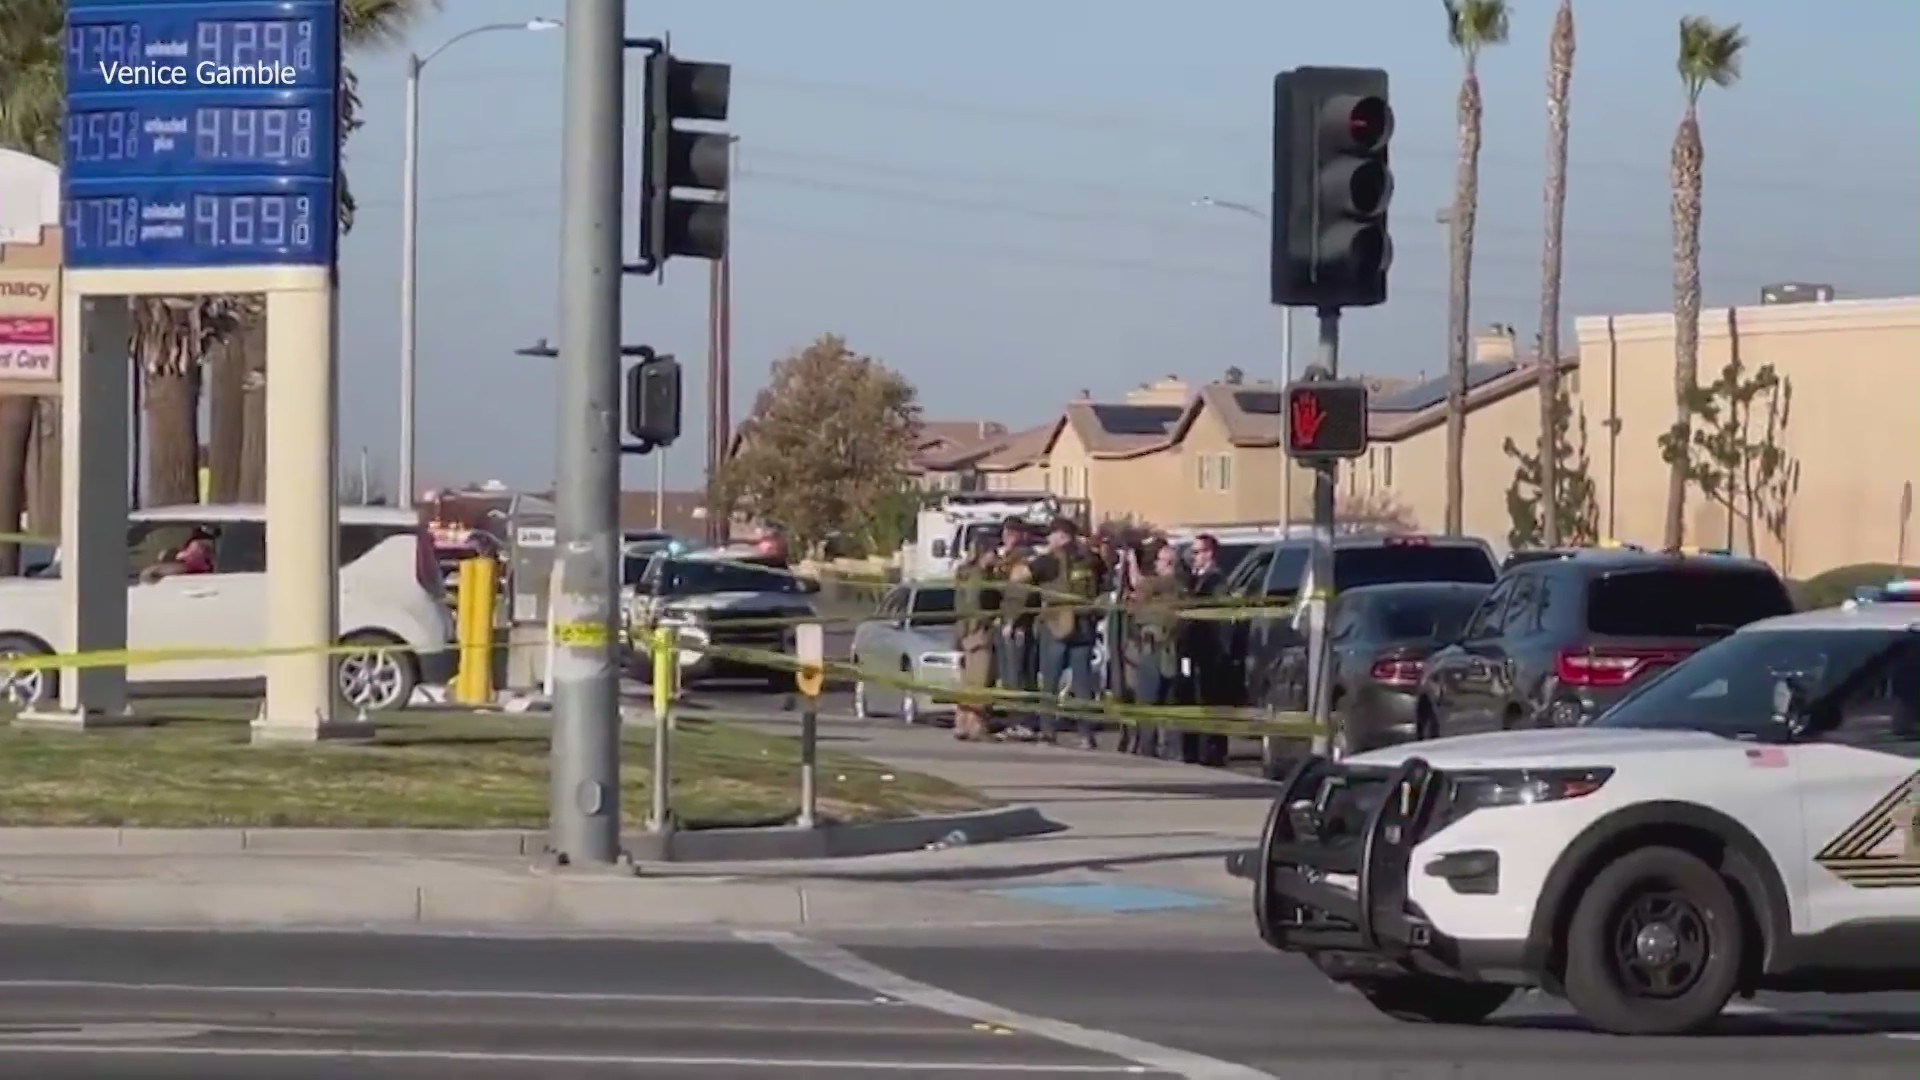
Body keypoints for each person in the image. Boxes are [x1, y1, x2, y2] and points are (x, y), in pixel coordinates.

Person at [1030, 517, 1102, 749]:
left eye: (1052, 534)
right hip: (1084, 627)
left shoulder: (1048, 561)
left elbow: (1022, 577)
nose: (1049, 539)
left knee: (1050, 683)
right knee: (1083, 685)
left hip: (1056, 627)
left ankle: (1048, 731)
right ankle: (1085, 734)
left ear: (1061, 536)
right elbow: (1104, 582)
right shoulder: (1090, 559)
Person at [1125, 540, 1189, 758]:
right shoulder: (1160, 586)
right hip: (1154, 647)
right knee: (1155, 700)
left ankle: (1163, 749)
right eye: (1165, 560)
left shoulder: (1175, 585)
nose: (1168, 564)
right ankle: (1151, 748)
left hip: (1166, 649)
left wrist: (1132, 563)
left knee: (1163, 701)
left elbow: (1141, 584)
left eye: (1171, 561)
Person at [1177, 532, 1232, 767]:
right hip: (1193, 648)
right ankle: (1195, 748)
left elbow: (1217, 617)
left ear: (1210, 553)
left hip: (1210, 649)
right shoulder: (1194, 579)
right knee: (1192, 697)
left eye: (1198, 552)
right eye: (1192, 553)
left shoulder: (1216, 581)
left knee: (1210, 699)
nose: (1193, 557)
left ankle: (1213, 749)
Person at [991, 517, 1041, 741]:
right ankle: (1015, 721)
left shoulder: (1024, 558)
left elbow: (1021, 593)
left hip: (1017, 625)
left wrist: (1012, 621)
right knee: (1009, 677)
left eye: (1011, 533)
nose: (1006, 536)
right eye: (1005, 532)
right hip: (1003, 621)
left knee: (1018, 676)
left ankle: (1023, 722)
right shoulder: (1007, 558)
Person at [951, 536, 1002, 741]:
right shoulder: (979, 577)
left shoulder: (964, 573)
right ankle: (976, 725)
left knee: (969, 682)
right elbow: (975, 603)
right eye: (993, 552)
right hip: (978, 632)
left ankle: (962, 723)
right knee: (981, 681)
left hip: (964, 632)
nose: (996, 556)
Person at [140, 526, 217, 583]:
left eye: (161, 573)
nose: (166, 575)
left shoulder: (194, 550)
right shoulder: (188, 580)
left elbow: (218, 547)